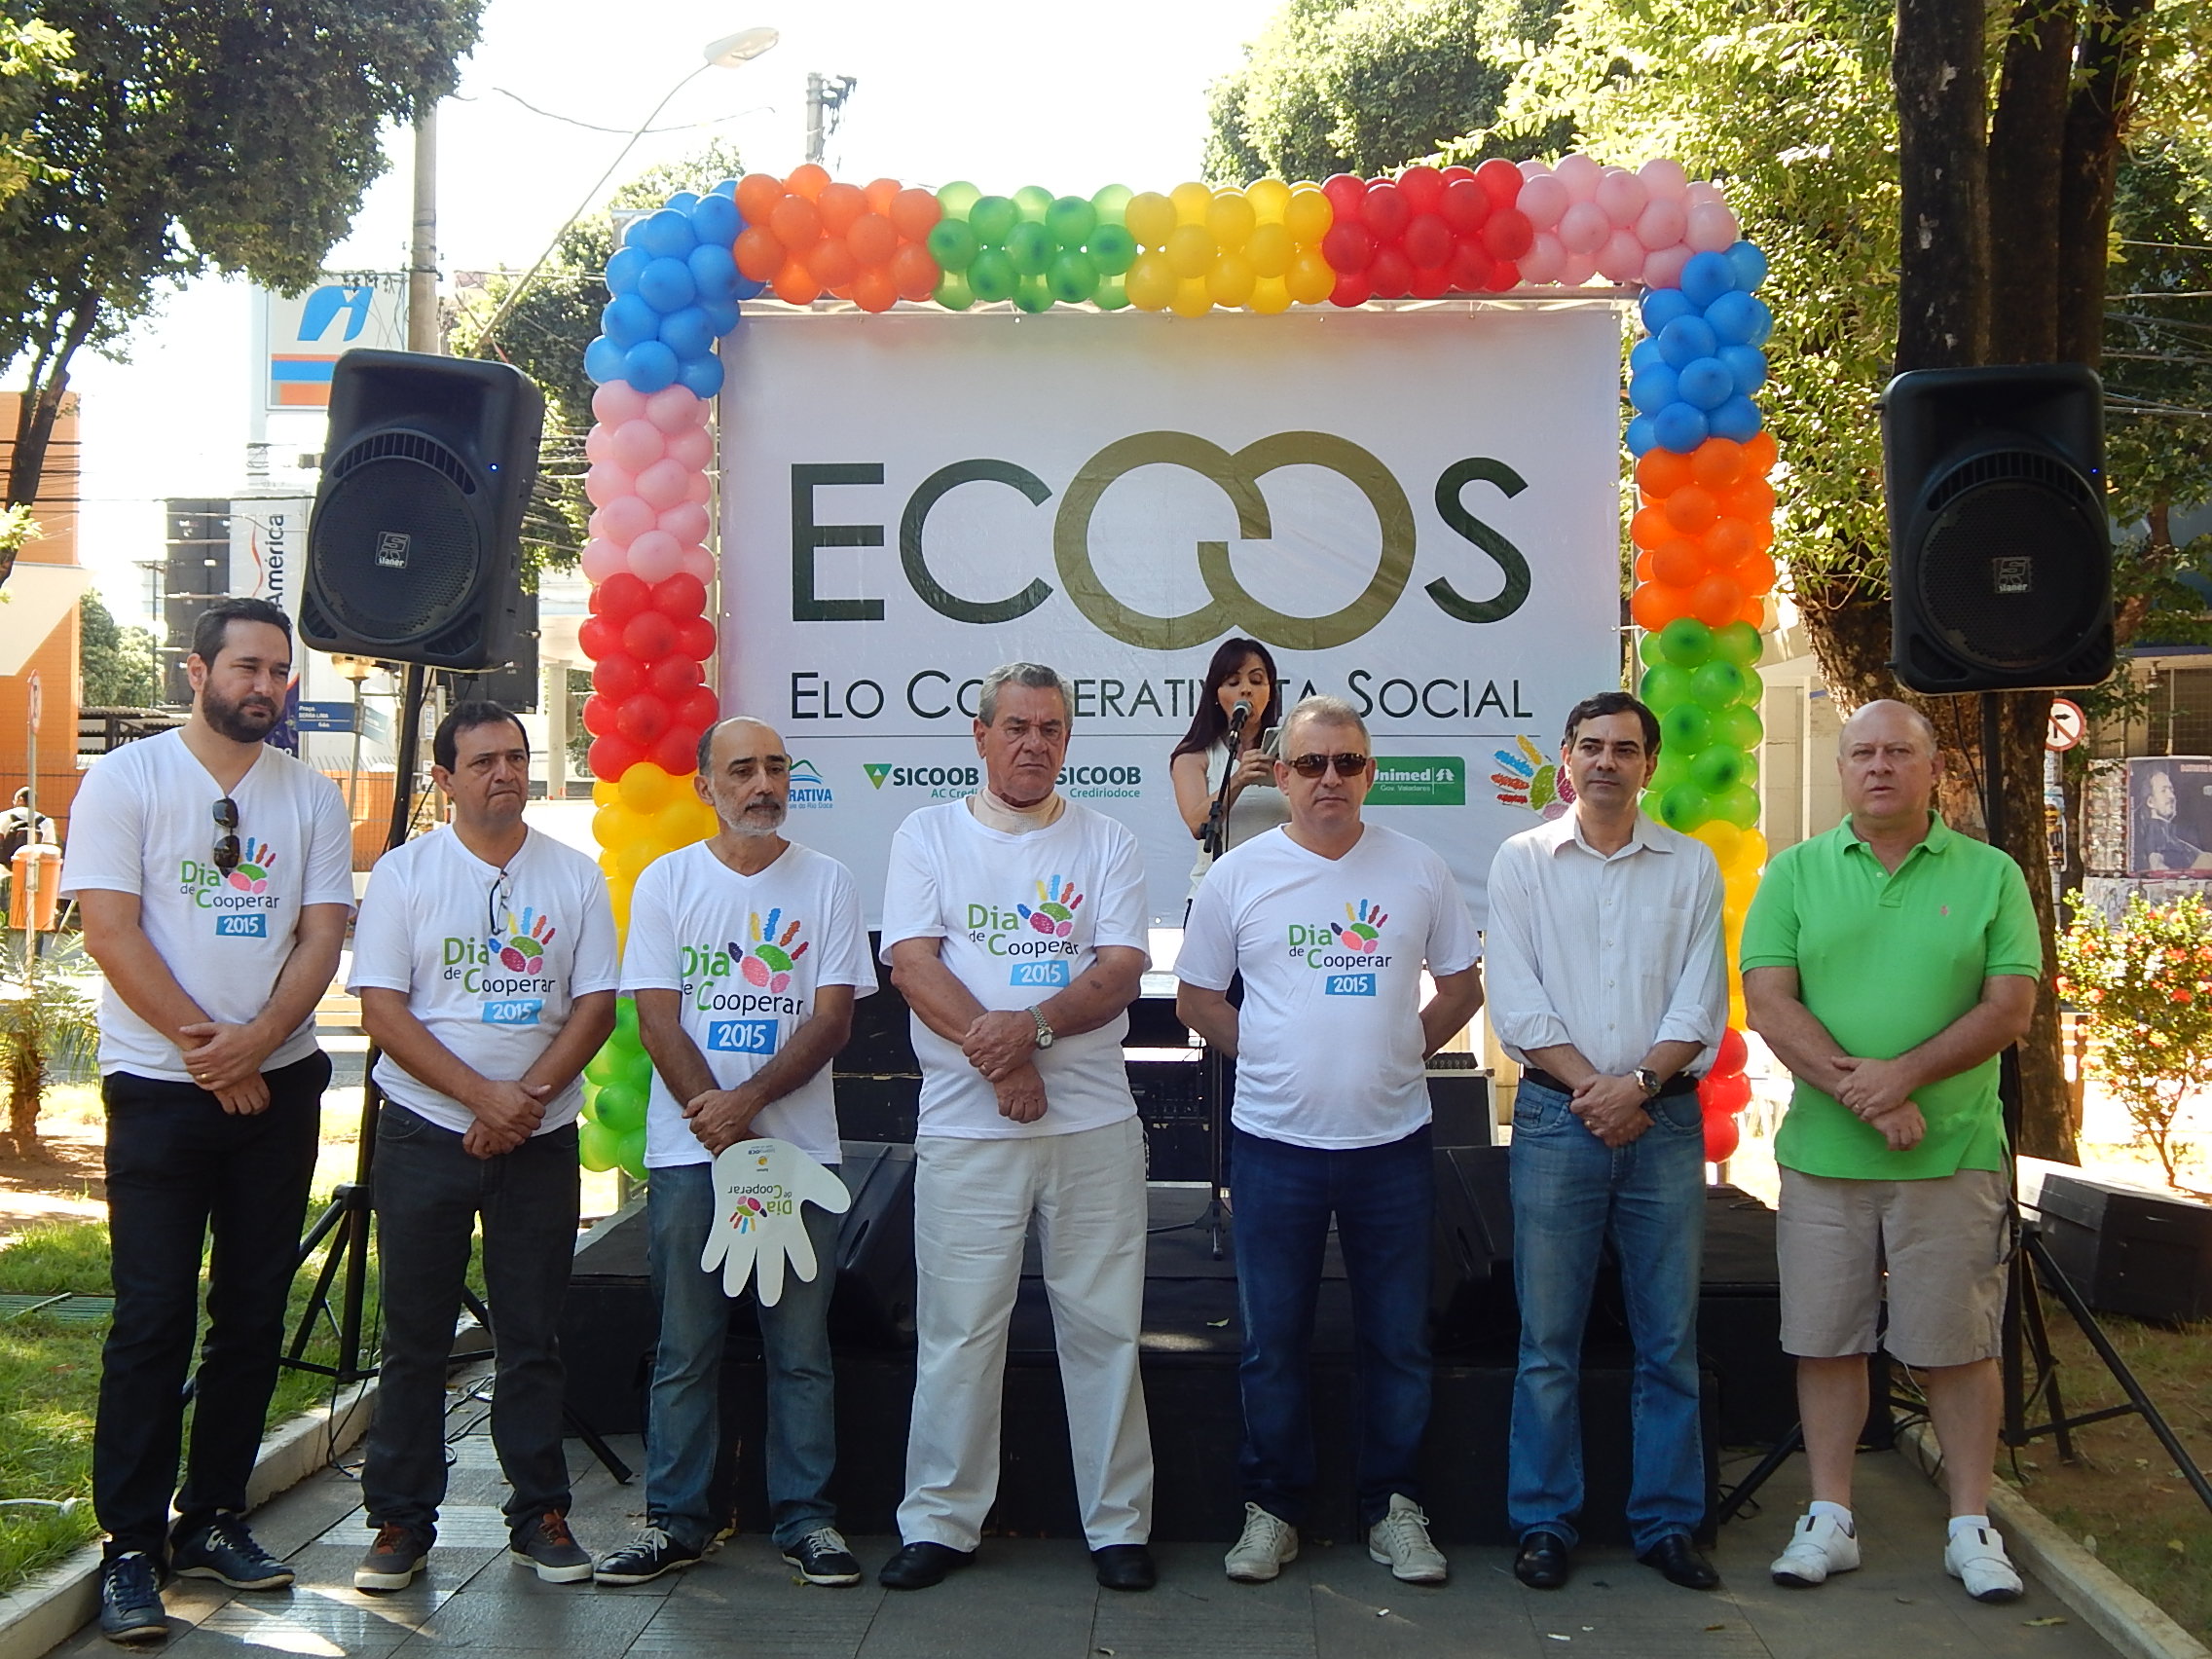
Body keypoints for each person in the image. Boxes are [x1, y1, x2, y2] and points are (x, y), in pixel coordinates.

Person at [60, 597, 354, 1643]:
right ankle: (131, 1546)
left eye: (278, 671)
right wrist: (209, 1051)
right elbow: (110, 931)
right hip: (158, 1090)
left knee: (253, 1311)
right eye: (246, 667)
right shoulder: (127, 780)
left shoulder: (310, 794)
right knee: (151, 1319)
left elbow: (322, 936)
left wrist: (258, 1042)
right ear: (197, 671)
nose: (264, 686)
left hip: (279, 1088)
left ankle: (217, 1516)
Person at [1177, 695, 1483, 1588]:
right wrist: (1269, 1055)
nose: (1330, 780)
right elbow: (1197, 999)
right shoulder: (1239, 875)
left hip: (1392, 1145)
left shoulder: (1419, 868)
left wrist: (1403, 1050)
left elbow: (1462, 987)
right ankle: (1273, 1508)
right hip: (1275, 1146)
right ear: (1280, 775)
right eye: (1311, 764)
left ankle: (1395, 1508)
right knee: (1273, 1342)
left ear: (1370, 773)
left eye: (1348, 763)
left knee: (1398, 1341)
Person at [1742, 699, 2041, 1604]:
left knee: (1956, 1346)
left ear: (1933, 768)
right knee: (1826, 1341)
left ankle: (1970, 1525)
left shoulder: (1992, 874)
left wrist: (1901, 1078)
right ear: (1841, 769)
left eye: (1899, 753)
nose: (1880, 767)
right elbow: (1770, 1002)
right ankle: (1830, 1517)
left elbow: (2009, 1009)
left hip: (1953, 1155)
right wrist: (1867, 1097)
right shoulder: (1793, 873)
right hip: (1825, 1161)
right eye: (1863, 753)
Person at [876, 662, 1158, 1594]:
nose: (1034, 744)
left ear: (1067, 741)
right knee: (959, 1332)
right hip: (968, 1132)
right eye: (1017, 727)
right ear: (980, 734)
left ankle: (1118, 1525)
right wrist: (1007, 1065)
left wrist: (1028, 1031)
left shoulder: (1107, 840)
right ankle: (940, 1522)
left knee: (1104, 1330)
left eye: (1051, 729)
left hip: (1093, 1128)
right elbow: (913, 965)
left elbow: (1120, 968)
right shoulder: (927, 834)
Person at [594, 717, 877, 1589]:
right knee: (687, 1345)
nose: (763, 785)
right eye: (743, 770)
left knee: (801, 1348)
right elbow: (656, 1018)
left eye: (776, 769)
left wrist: (745, 1108)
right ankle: (674, 1522)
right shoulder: (667, 880)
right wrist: (713, 1122)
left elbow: (833, 1018)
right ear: (703, 786)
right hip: (690, 1157)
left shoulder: (828, 881)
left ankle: (808, 1521)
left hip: (797, 1156)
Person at [346, 702, 619, 1592]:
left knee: (531, 1335)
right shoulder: (405, 873)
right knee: (416, 1336)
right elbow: (382, 1008)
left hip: (539, 1138)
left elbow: (595, 1005)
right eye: (484, 761)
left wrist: (523, 1102)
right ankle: (400, 1520)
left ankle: (539, 1513)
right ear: (443, 779)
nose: (505, 773)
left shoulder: (574, 876)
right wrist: (481, 1098)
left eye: (516, 757)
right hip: (424, 1132)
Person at [1483, 691, 1728, 1592]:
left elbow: (1701, 1001)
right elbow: (1516, 1000)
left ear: (1649, 766)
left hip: (1664, 1121)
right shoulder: (1521, 861)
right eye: (1591, 746)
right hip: (1559, 1121)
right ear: (1565, 758)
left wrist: (1641, 1088)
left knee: (1670, 1341)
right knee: (1549, 1341)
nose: (1606, 763)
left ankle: (1667, 1524)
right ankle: (1544, 1521)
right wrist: (1597, 1091)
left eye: (1625, 749)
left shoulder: (1692, 865)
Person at [1169, 637, 1289, 899]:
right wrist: (1238, 779)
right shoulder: (1194, 756)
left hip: (1281, 893)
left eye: (1256, 681)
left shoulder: (1291, 751)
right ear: (1216, 694)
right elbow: (1197, 824)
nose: (1246, 690)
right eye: (1233, 682)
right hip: (1216, 895)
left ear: (1270, 692)